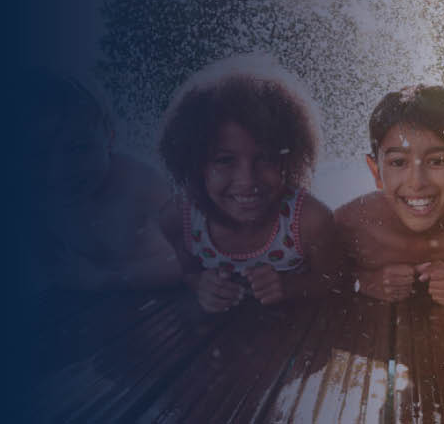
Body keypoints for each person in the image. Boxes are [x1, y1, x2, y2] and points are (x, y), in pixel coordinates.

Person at [158, 55, 345, 312]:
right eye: (224, 160)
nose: (247, 181)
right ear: (194, 163)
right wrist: (201, 284)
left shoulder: (309, 221)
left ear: (289, 159)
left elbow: (334, 280)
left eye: (266, 158)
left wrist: (288, 286)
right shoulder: (179, 217)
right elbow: (186, 272)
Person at [334, 85, 444, 306]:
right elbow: (317, 281)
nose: (417, 183)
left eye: (437, 161)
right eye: (398, 162)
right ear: (376, 171)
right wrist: (363, 282)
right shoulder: (353, 225)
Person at [24, 71, 181, 291]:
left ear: (110, 136)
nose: (61, 170)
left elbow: (193, 257)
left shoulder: (139, 183)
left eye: (79, 148)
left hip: (162, 295)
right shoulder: (38, 198)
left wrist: (106, 278)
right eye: (40, 154)